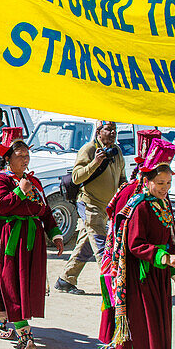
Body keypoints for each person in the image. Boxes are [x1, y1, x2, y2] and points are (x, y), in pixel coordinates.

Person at [101, 138, 175, 349]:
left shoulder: (163, 204)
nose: (165, 188)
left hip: (157, 274)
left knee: (153, 319)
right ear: (147, 181)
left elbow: (171, 237)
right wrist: (163, 257)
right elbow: (135, 244)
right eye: (160, 183)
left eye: (168, 183)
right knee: (135, 318)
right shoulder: (139, 206)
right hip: (138, 275)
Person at [0, 128, 64, 349]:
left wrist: (55, 234)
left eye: (27, 155)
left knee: (25, 281)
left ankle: (2, 318)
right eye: (20, 156)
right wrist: (21, 191)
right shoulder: (0, 181)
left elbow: (44, 210)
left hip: (32, 240)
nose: (25, 159)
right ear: (8, 158)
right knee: (10, 280)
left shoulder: (33, 180)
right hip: (11, 240)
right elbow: (1, 205)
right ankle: (24, 332)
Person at [56, 120, 126, 295]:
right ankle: (113, 286)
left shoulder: (116, 152)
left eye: (115, 130)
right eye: (108, 129)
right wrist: (95, 162)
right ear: (99, 131)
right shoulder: (89, 149)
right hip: (89, 204)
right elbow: (76, 177)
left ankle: (66, 279)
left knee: (86, 245)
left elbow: (122, 177)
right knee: (102, 246)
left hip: (106, 208)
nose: (112, 133)